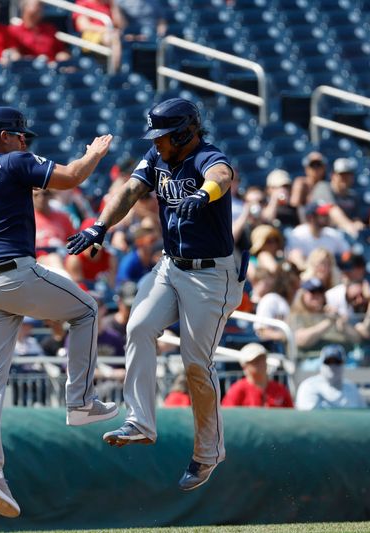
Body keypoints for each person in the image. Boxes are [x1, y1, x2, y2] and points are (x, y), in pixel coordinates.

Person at [66, 98, 245, 491]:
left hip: (212, 274)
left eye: (164, 135)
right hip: (171, 265)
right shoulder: (157, 156)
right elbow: (129, 192)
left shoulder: (205, 157)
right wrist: (99, 227)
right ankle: (140, 421)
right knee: (139, 325)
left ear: (184, 132)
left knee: (196, 364)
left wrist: (205, 194)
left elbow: (222, 173)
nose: (157, 142)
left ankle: (208, 453)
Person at [0, 106, 115, 518]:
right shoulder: (14, 160)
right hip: (11, 274)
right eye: (20, 134)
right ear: (4, 135)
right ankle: (80, 401)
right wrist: (94, 153)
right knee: (87, 309)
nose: (25, 141)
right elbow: (73, 177)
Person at [221, 343, 293, 408]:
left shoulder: (280, 389)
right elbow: (227, 416)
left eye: (262, 358)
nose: (260, 363)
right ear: (244, 365)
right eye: (255, 361)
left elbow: (291, 416)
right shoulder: (237, 390)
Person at [295, 344, 366, 410]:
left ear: (343, 364)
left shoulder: (352, 388)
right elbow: (308, 419)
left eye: (337, 362)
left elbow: (362, 416)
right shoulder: (309, 387)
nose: (333, 366)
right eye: (328, 362)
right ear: (321, 364)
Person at [285, 202, 349, 270]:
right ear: (311, 217)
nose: (326, 216)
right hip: (307, 275)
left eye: (326, 214)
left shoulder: (332, 234)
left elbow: (347, 253)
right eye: (323, 214)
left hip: (329, 276)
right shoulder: (297, 235)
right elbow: (294, 257)